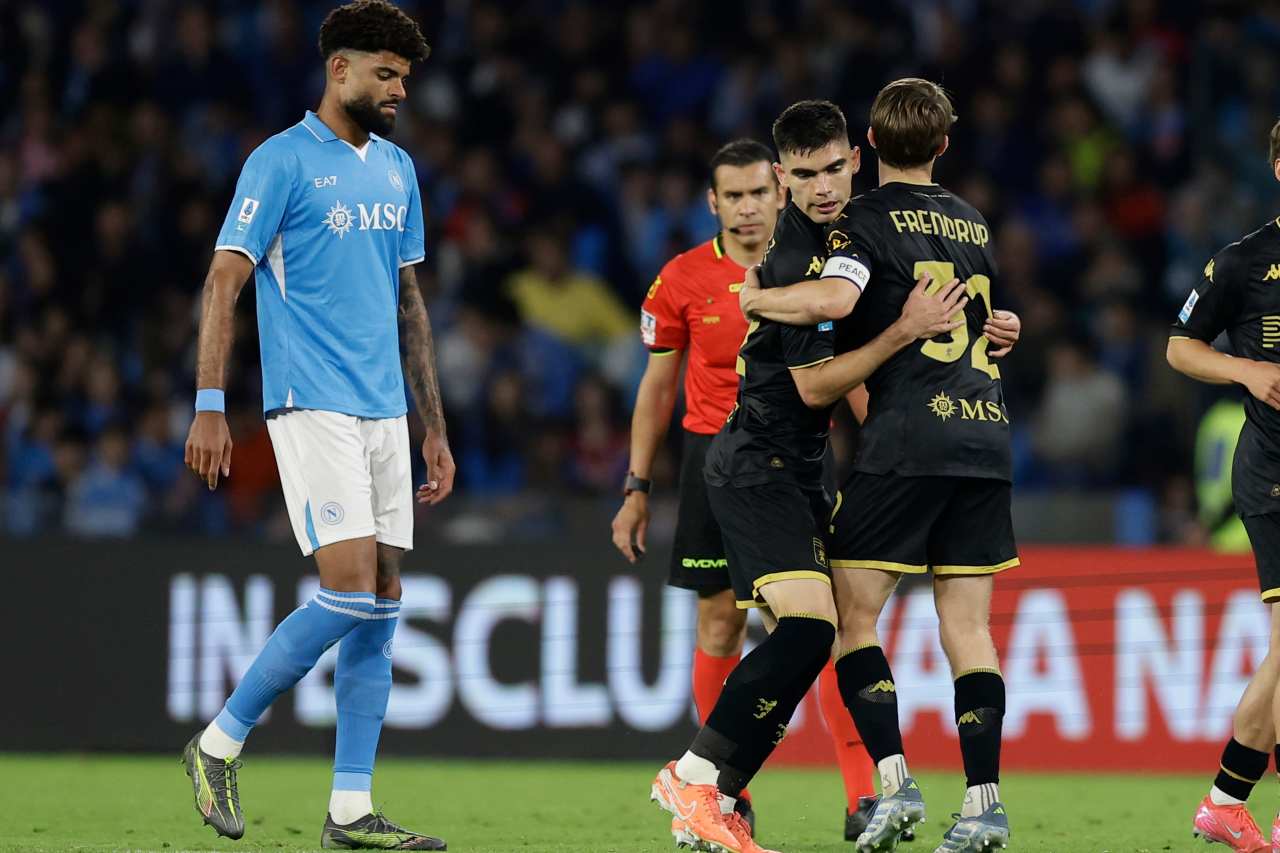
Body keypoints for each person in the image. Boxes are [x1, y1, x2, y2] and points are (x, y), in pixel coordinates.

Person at [648, 99, 970, 853]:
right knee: (808, 628)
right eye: (803, 175)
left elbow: (891, 307)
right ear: (782, 178)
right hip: (755, 462)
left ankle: (715, 792)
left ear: (856, 160)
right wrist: (902, 331)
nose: (822, 187)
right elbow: (818, 385)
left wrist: (982, 325)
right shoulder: (797, 258)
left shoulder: (850, 237)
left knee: (810, 637)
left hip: (795, 467)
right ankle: (695, 776)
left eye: (832, 169)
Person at [179, 3, 453, 849]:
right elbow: (224, 281)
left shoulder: (398, 169)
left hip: (385, 411)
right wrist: (210, 404)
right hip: (310, 402)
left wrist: (433, 426)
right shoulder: (280, 161)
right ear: (339, 69)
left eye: (404, 78)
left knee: (382, 601)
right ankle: (218, 741)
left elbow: (409, 303)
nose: (399, 90)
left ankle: (349, 808)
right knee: (349, 588)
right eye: (385, 74)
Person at [741, 79, 1021, 853]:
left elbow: (835, 299)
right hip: (986, 437)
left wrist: (761, 301)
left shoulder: (859, 222)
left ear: (866, 145)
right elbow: (984, 322)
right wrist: (1005, 326)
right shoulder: (972, 221)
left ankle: (893, 783)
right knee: (969, 627)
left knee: (847, 616)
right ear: (944, 144)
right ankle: (985, 805)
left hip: (908, 440)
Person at [610, 138, 879, 838]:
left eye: (760, 192)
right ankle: (727, 794)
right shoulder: (681, 279)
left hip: (803, 459)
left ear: (780, 191)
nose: (749, 207)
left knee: (822, 628)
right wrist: (637, 486)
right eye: (734, 195)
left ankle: (862, 797)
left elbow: (849, 373)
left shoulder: (818, 269)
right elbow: (657, 388)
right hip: (717, 461)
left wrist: (883, 455)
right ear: (714, 202)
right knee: (724, 624)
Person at [1168, 116, 1280, 853]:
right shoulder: (1244, 262)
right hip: (1274, 472)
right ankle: (1230, 801)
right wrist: (1246, 370)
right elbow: (1179, 347)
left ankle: (1228, 802)